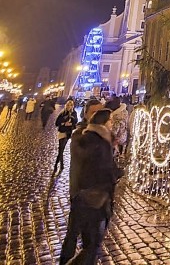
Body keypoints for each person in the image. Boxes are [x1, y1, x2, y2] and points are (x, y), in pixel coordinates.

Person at [59, 108, 123, 264]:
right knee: (93, 244)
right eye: (110, 120)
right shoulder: (100, 142)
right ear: (103, 122)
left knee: (78, 237)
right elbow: (104, 169)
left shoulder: (83, 136)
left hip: (81, 196)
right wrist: (119, 173)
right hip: (96, 198)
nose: (112, 123)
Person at [54, 99, 79, 174]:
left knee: (62, 148)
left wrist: (71, 124)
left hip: (68, 133)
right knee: (61, 148)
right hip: (62, 132)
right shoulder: (62, 113)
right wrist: (64, 123)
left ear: (72, 106)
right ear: (66, 105)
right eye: (68, 105)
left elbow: (75, 123)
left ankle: (59, 164)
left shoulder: (74, 113)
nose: (69, 106)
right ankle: (59, 164)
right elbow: (57, 122)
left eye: (70, 105)